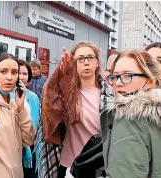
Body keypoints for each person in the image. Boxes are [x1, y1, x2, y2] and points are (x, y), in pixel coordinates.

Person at [35, 42, 113, 178]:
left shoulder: (111, 94)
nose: (86, 62)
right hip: (69, 165)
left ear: (97, 63)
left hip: (100, 165)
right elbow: (49, 100)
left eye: (90, 57)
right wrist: (60, 74)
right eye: (80, 59)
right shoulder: (65, 93)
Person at [103, 50, 161, 177]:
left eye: (127, 76)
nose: (118, 83)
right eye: (115, 76)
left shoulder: (130, 117)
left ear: (150, 81)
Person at [16, 60, 40, 178]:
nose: (21, 77)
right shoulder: (6, 95)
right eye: (18, 73)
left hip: (32, 146)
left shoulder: (33, 97)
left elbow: (38, 120)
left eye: (25, 74)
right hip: (15, 146)